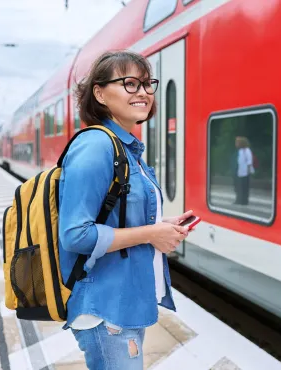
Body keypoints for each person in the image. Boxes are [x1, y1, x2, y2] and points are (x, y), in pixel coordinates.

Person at [58, 50, 192, 370]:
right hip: (106, 308)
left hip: (124, 303)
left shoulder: (127, 150)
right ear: (100, 93)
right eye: (130, 83)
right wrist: (151, 233)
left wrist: (163, 225)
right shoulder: (96, 146)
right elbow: (75, 234)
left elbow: (118, 215)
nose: (143, 92)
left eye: (147, 84)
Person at [233, 136, 254, 205]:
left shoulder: (247, 150)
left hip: (245, 172)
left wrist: (248, 171)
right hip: (239, 172)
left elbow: (249, 161)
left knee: (244, 187)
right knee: (238, 186)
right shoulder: (240, 151)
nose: (236, 144)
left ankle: (244, 201)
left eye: (237, 142)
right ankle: (238, 200)